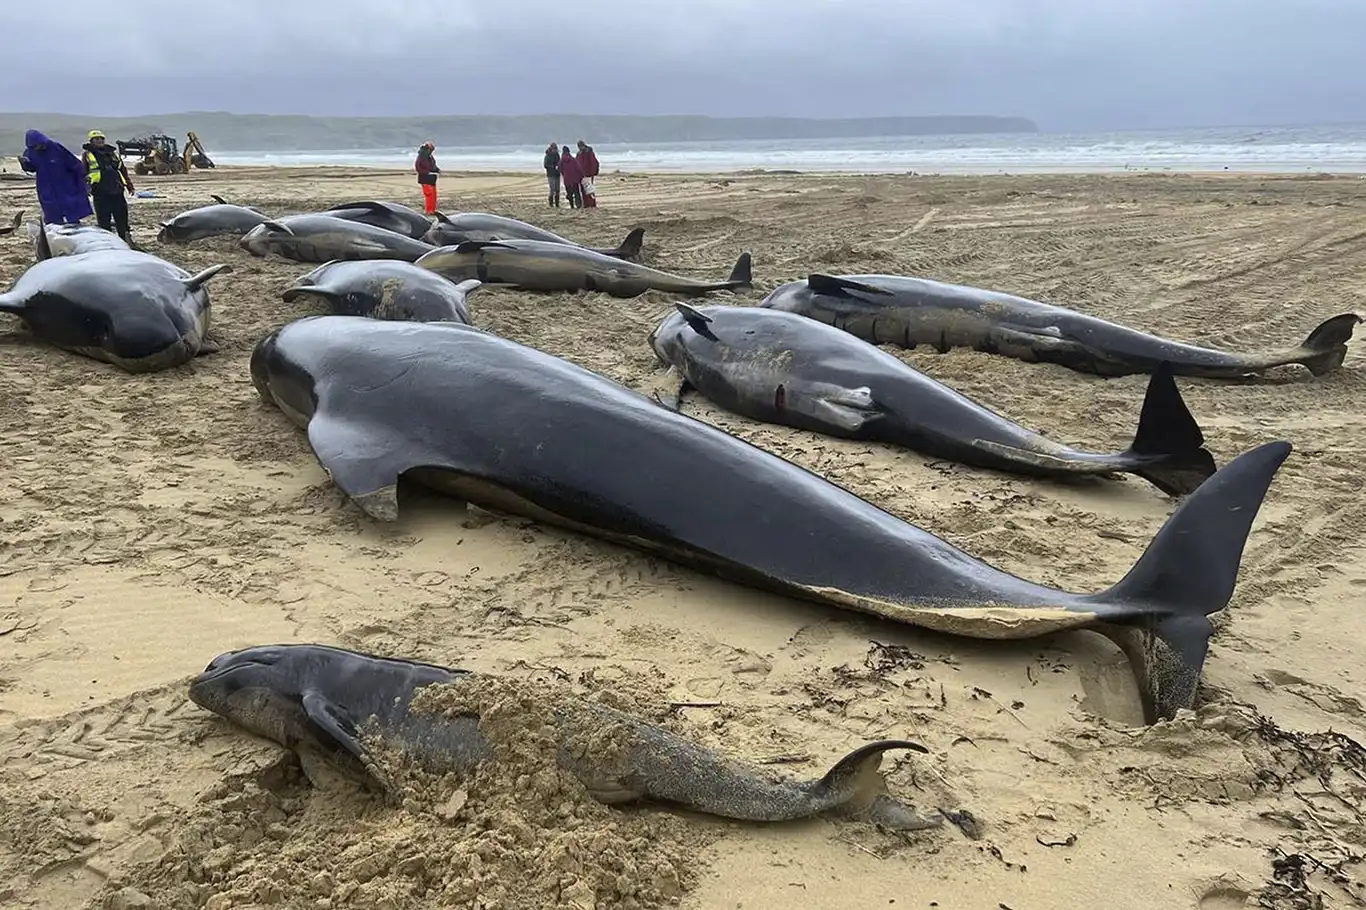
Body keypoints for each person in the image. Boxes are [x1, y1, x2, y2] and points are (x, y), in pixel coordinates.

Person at [18, 129, 94, 225]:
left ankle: (74, 225)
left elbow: (73, 163)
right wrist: (24, 164)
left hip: (64, 183)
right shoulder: (30, 152)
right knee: (51, 209)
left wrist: (83, 175)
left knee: (70, 206)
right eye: (36, 146)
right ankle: (55, 227)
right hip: (45, 185)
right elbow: (32, 168)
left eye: (40, 144)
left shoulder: (56, 148)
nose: (39, 147)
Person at [82, 129, 135, 242]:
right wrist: (86, 187)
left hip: (117, 189)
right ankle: (108, 242)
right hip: (100, 191)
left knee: (122, 217)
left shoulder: (112, 153)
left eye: (102, 138)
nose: (100, 141)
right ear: (91, 141)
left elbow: (122, 169)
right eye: (96, 139)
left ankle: (125, 239)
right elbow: (83, 172)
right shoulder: (87, 155)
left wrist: (129, 184)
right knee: (104, 219)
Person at [415, 142, 441, 214]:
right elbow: (418, 167)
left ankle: (432, 210)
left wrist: (437, 170)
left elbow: (433, 166)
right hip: (425, 178)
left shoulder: (429, 156)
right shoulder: (422, 156)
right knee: (429, 195)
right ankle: (429, 210)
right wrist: (427, 172)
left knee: (433, 195)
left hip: (432, 178)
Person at [576, 139, 600, 209]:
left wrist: (593, 172)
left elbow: (593, 163)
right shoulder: (579, 153)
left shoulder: (588, 152)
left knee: (589, 190)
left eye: (580, 146)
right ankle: (586, 204)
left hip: (588, 174)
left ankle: (591, 204)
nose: (580, 148)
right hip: (582, 174)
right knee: (584, 190)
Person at [543, 142, 561, 207]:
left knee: (557, 189)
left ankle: (557, 204)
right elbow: (545, 165)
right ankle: (551, 204)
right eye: (554, 149)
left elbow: (559, 162)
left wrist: (559, 167)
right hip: (550, 174)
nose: (555, 150)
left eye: (555, 149)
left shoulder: (557, 155)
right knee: (552, 189)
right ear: (551, 149)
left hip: (557, 174)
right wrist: (553, 166)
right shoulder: (547, 156)